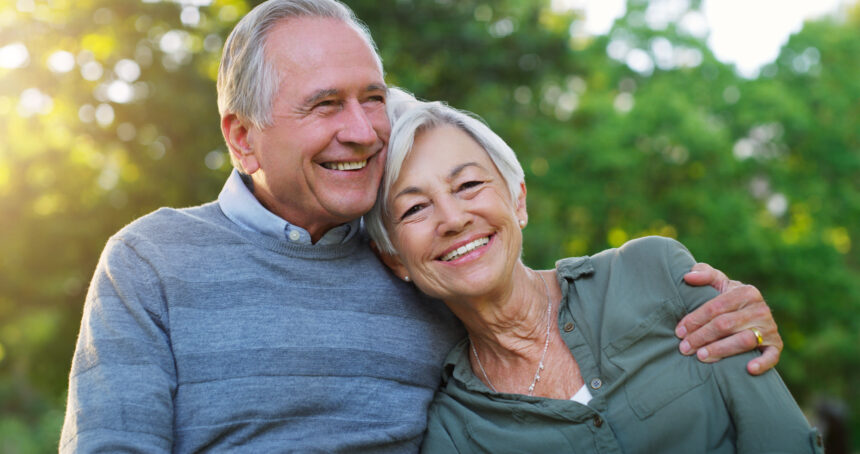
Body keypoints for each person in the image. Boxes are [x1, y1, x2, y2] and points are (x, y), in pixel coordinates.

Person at [60, 1, 784, 452]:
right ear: (243, 139)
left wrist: (727, 311)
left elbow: (516, 280)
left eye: (371, 98)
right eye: (324, 106)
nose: (362, 131)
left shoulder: (417, 264)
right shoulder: (152, 262)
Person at [365, 91, 822, 453]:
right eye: (415, 209)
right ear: (396, 259)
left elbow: (782, 439)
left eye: (468, 185)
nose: (453, 218)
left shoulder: (654, 273)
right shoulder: (456, 433)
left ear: (518, 199)